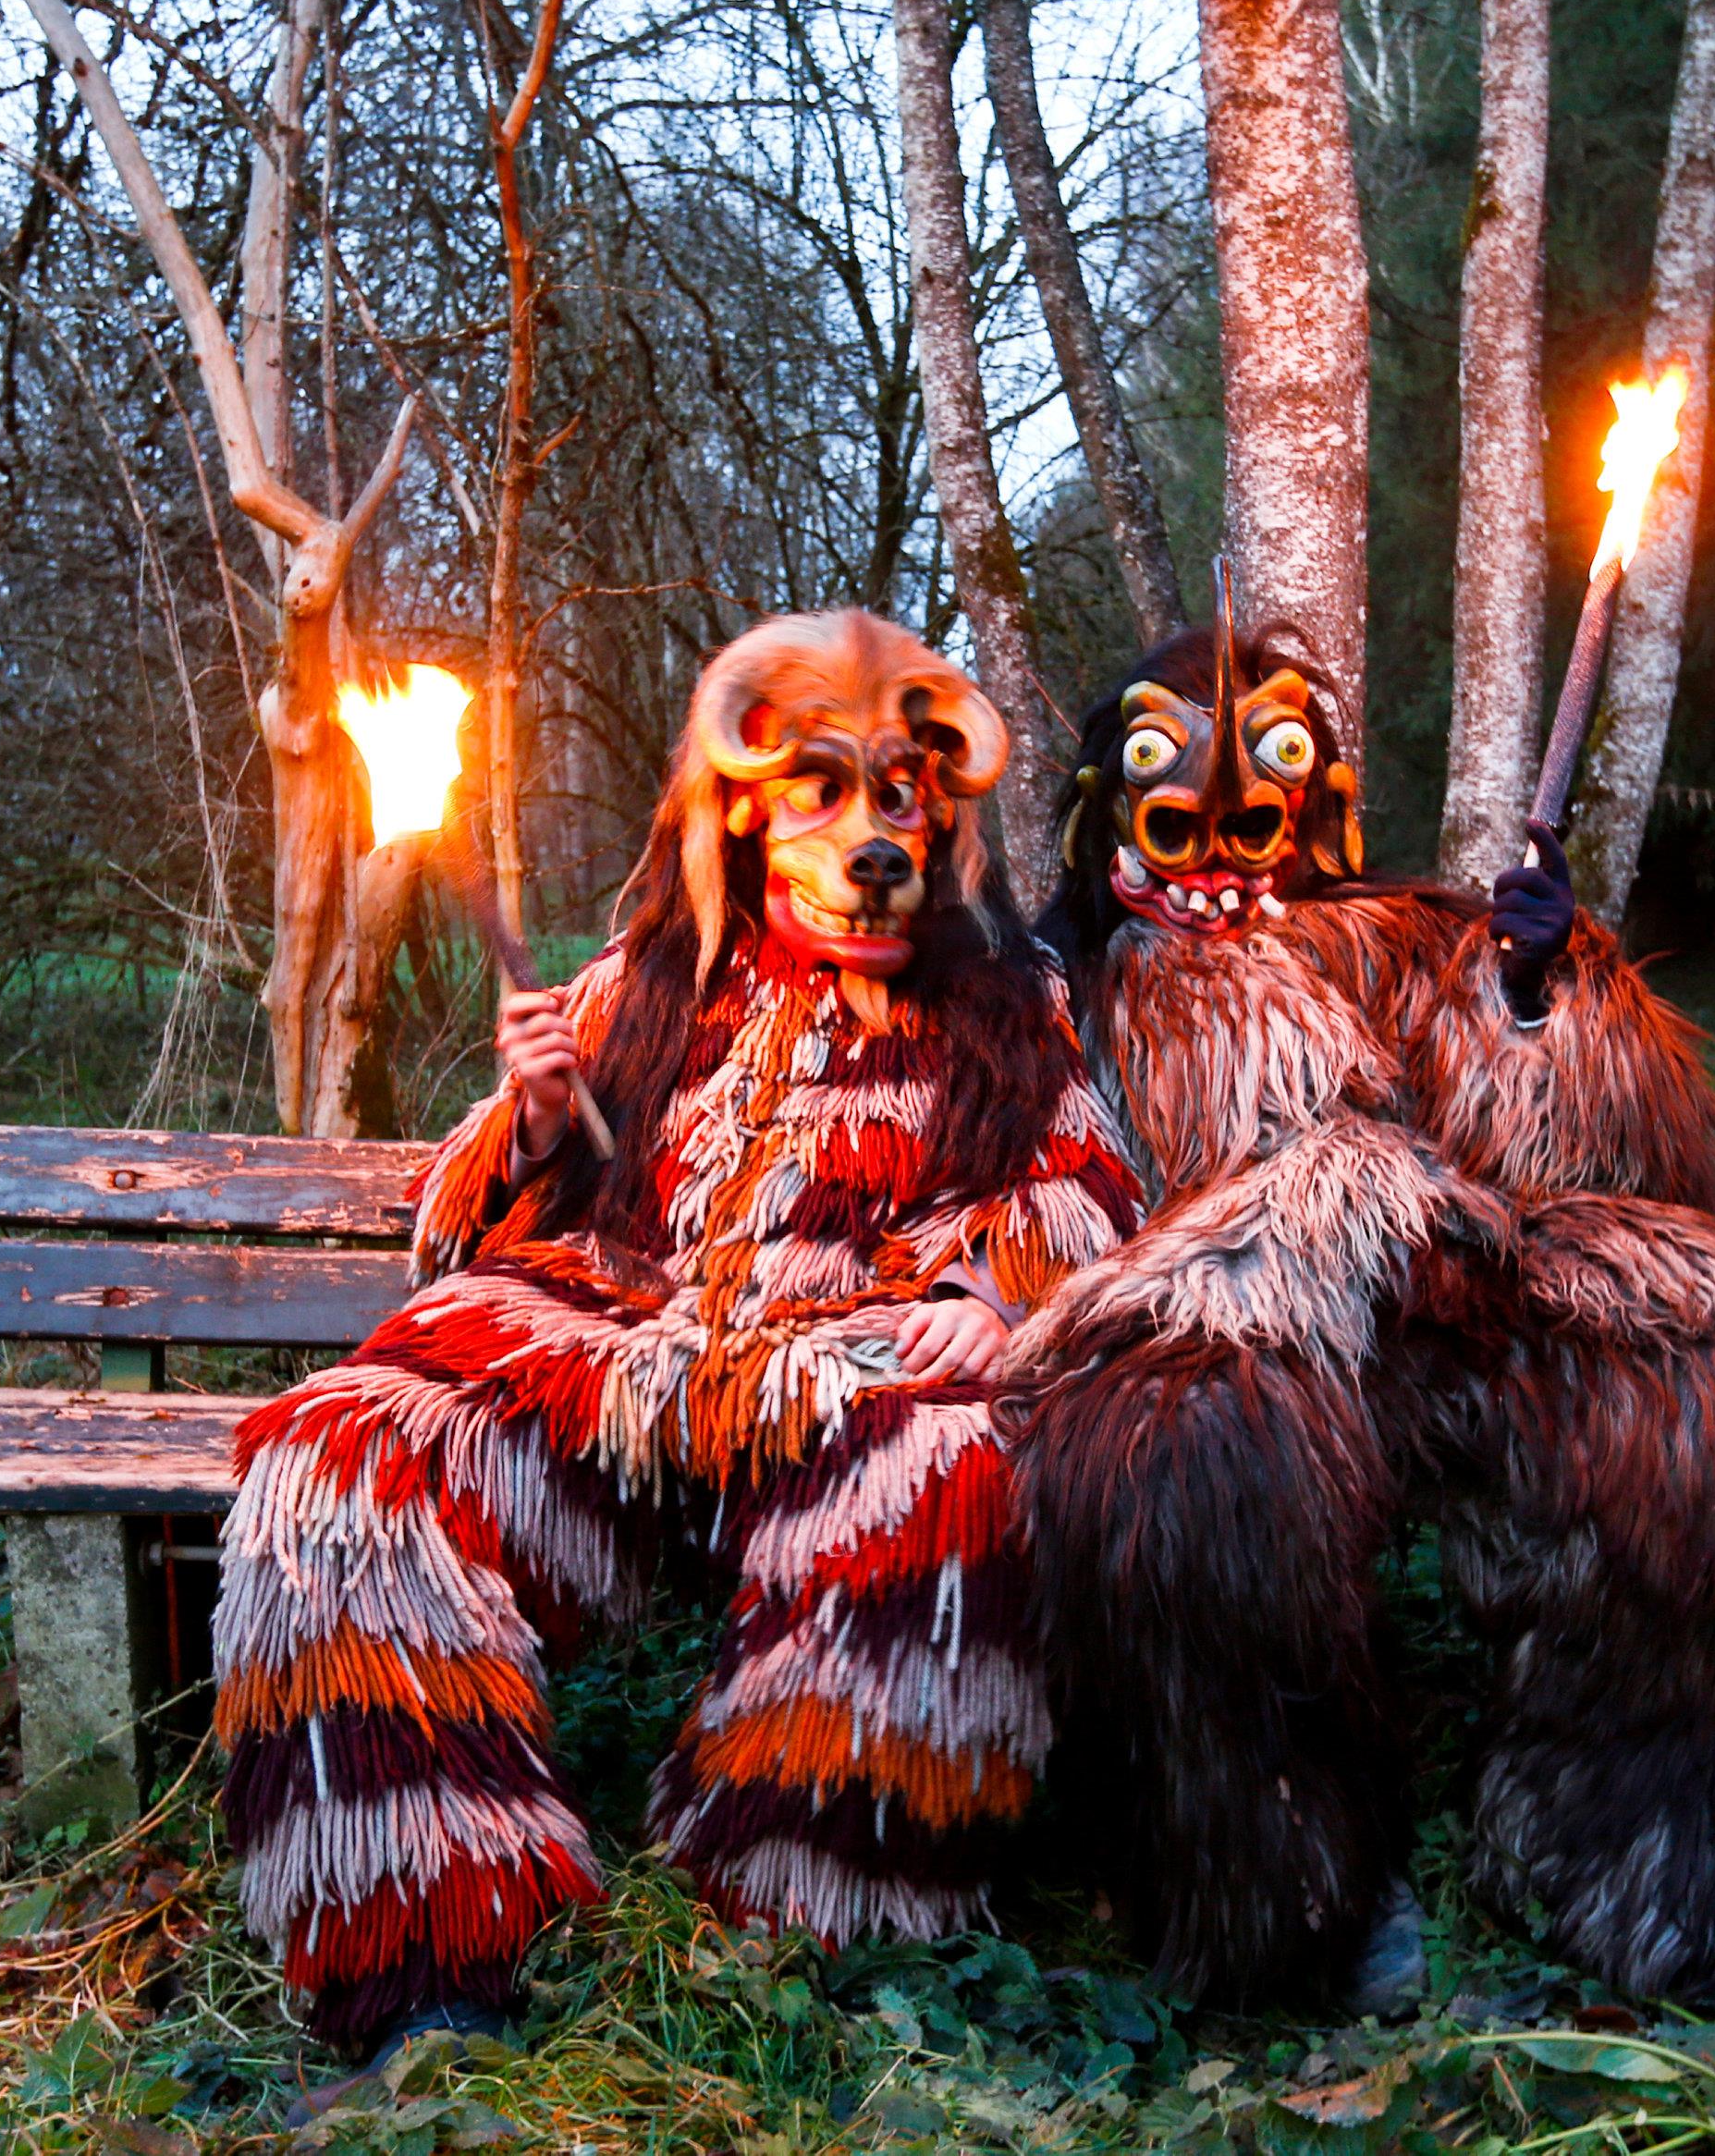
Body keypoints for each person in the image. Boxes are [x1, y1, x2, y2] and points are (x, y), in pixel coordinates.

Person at [212, 610, 1141, 2078]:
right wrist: (527, 1111)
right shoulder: (645, 978)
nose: (867, 840)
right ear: (743, 818)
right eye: (819, 795)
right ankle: (427, 1946)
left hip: (846, 1353)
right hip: (617, 1333)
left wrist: (988, 1290)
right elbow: (475, 1209)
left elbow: (1080, 1189)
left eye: (899, 797)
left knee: (960, 1476)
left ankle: (798, 1928)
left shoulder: (1007, 1005)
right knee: (343, 1458)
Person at [1009, 621, 1715, 2011]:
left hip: (1467, 1309)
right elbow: (998, 1192)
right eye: (1163, 769)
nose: (1222, 830)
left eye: (1271, 769)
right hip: (1227, 1330)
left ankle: (1673, 1869)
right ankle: (1290, 1894)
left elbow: (1640, 1173)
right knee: (1186, 1468)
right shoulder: (1045, 990)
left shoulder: (1410, 938)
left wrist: (1538, 998)